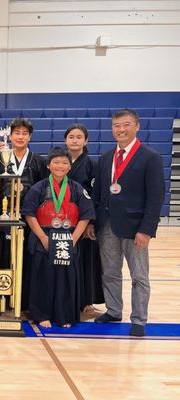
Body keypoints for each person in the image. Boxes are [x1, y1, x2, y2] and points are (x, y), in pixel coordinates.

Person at [88, 108, 165, 337]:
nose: (121, 129)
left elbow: (156, 196)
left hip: (135, 228)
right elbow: (98, 193)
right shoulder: (105, 158)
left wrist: (147, 230)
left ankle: (139, 319)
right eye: (116, 126)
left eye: (126, 124)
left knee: (139, 275)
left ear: (137, 126)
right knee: (110, 272)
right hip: (108, 224)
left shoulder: (150, 157)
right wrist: (94, 222)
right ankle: (113, 310)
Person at [22, 147, 95, 328]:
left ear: (70, 167)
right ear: (48, 165)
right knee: (43, 277)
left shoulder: (77, 189)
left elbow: (86, 215)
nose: (60, 166)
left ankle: (65, 316)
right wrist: (42, 237)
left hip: (68, 236)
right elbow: (29, 214)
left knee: (66, 278)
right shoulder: (38, 188)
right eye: (56, 162)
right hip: (44, 235)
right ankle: (42, 314)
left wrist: (74, 239)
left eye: (64, 163)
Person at [0, 117, 47, 308]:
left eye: (24, 133)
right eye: (17, 133)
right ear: (10, 136)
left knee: (28, 260)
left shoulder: (38, 162)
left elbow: (44, 193)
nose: (20, 137)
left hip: (29, 220)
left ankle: (24, 301)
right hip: (3, 220)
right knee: (2, 258)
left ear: (30, 137)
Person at [64, 124, 104, 314]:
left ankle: (87, 302)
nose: (75, 140)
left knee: (86, 260)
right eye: (71, 136)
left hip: (84, 220)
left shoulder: (92, 164)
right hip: (61, 219)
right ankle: (67, 298)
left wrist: (92, 222)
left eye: (79, 137)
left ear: (86, 141)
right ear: (66, 140)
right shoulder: (59, 161)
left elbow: (97, 195)